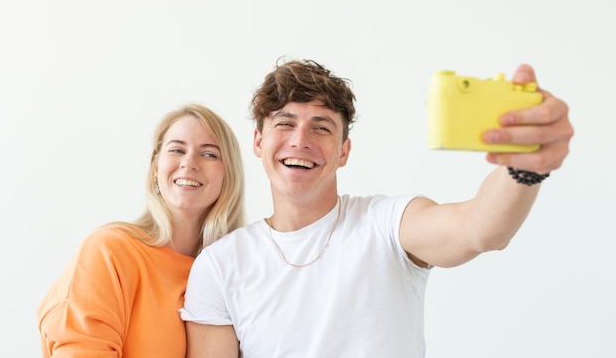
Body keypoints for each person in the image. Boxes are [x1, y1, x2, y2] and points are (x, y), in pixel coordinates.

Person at [180, 58, 573, 358]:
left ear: (343, 152)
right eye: (285, 124)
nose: (300, 140)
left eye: (321, 127)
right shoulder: (219, 265)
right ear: (258, 142)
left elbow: (479, 229)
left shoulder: (386, 224)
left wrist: (524, 167)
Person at [37, 103, 245, 358]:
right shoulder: (109, 251)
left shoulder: (234, 271)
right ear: (155, 168)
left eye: (210, 154)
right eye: (177, 149)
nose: (189, 163)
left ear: (229, 175)